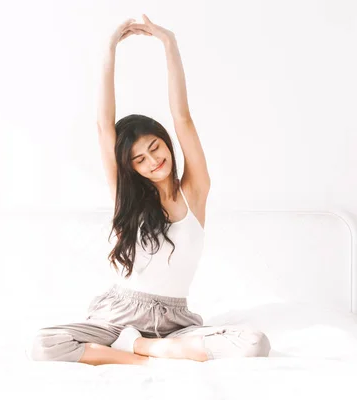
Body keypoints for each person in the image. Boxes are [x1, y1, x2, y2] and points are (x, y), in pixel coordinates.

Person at [27, 15, 270, 366]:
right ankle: (144, 356)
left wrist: (169, 44)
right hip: (120, 317)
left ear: (166, 142)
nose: (152, 161)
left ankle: (144, 348)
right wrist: (109, 49)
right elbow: (102, 125)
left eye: (155, 147)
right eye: (139, 159)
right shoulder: (125, 197)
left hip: (175, 323)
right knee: (44, 345)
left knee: (254, 344)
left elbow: (182, 116)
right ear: (131, 168)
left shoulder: (194, 191)